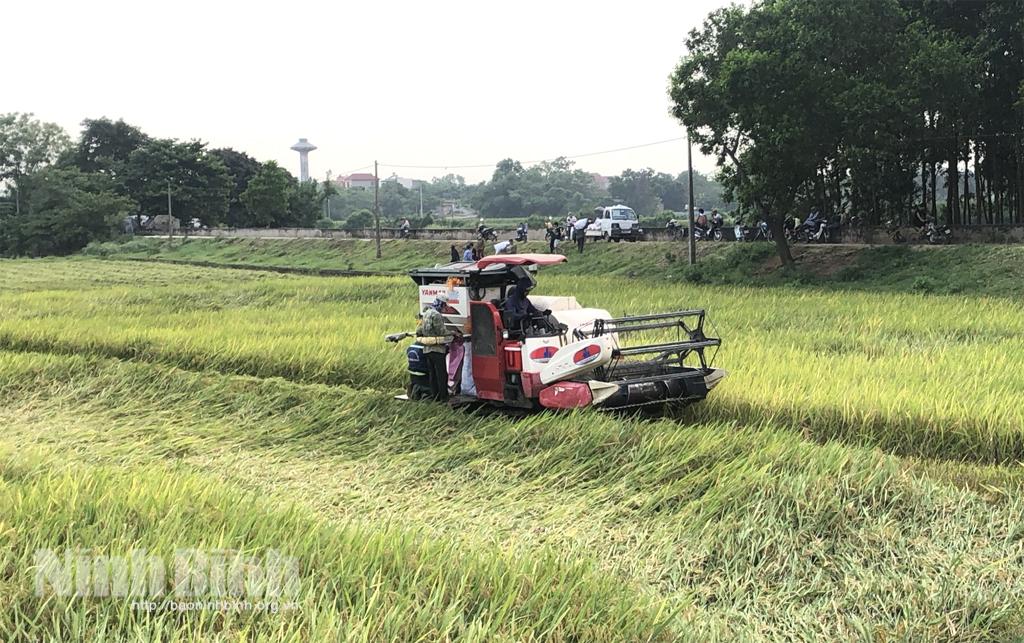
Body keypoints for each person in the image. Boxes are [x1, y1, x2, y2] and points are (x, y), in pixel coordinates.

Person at [416, 293, 455, 401]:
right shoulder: (437, 315)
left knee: (432, 373)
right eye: (444, 305)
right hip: (437, 349)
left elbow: (419, 330)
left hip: (427, 348)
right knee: (441, 374)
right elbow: (441, 331)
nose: (445, 307)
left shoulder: (427, 312)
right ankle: (443, 397)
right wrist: (453, 333)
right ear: (441, 303)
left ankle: (435, 396)